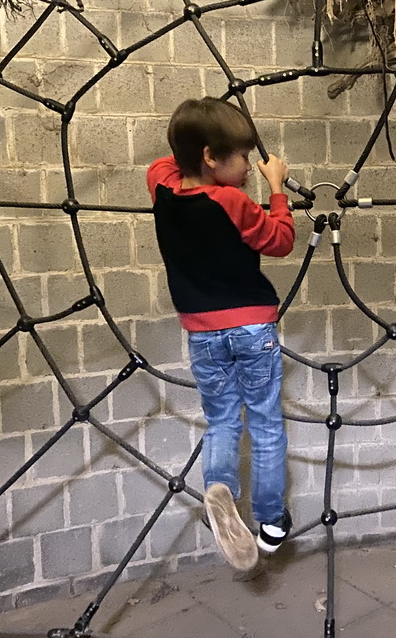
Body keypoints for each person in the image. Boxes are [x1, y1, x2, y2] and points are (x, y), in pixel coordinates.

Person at [147, 96, 296, 572]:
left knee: (223, 422)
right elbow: (281, 241)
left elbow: (164, 164)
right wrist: (277, 189)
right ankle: (271, 522)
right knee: (267, 423)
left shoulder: (163, 191)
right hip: (253, 327)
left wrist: (195, 145)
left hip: (202, 334)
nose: (251, 166)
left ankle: (220, 489)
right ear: (211, 157)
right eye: (243, 157)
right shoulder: (232, 200)